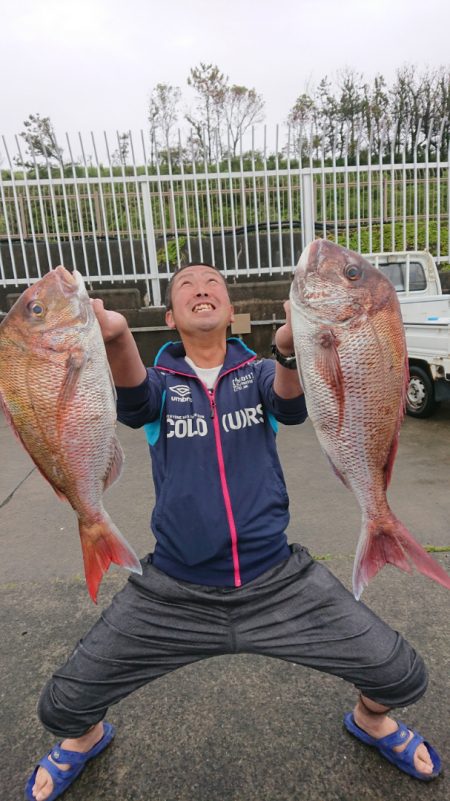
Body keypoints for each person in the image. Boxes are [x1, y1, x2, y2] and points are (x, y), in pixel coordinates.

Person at [26, 262, 441, 801]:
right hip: (174, 591)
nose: (202, 288)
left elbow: (290, 405)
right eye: (186, 286)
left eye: (214, 282)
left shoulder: (260, 373)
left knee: (403, 677)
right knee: (59, 708)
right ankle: (85, 738)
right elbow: (133, 399)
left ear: (231, 310)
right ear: (171, 317)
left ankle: (370, 720)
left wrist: (291, 349)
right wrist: (119, 337)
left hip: (279, 582)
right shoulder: (160, 385)